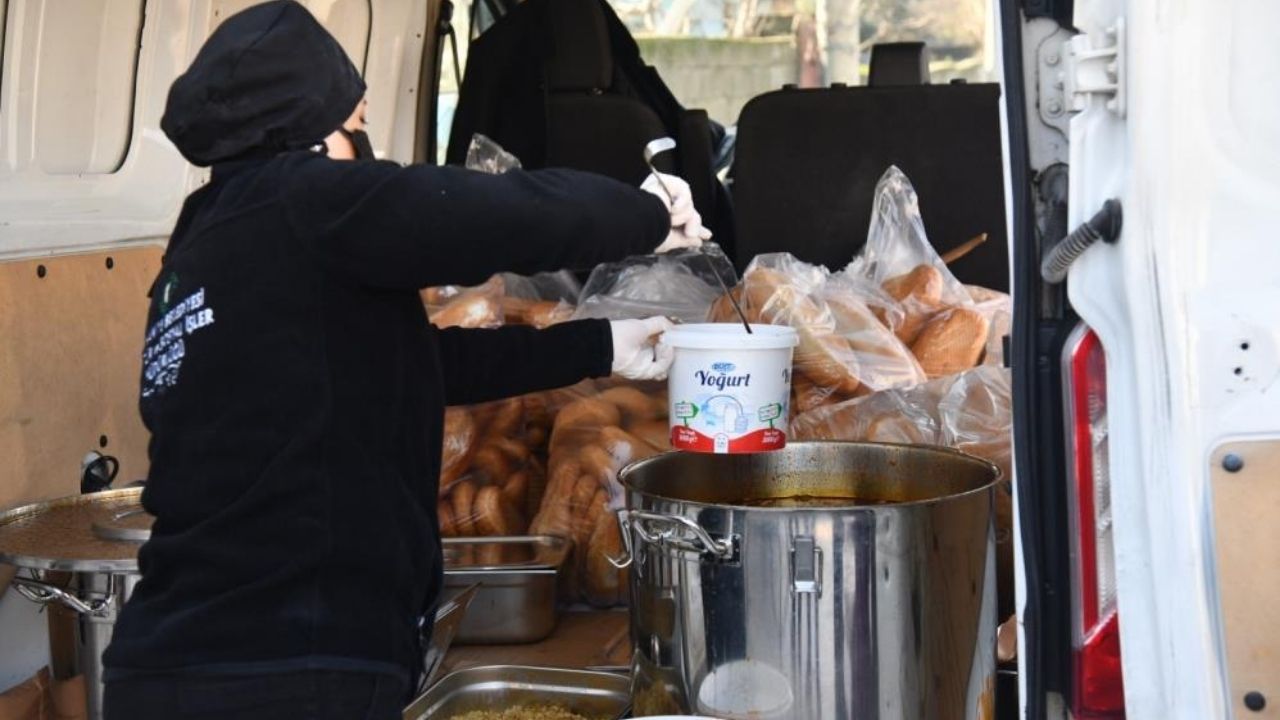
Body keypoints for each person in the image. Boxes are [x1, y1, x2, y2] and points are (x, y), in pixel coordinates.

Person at [101, 3, 706, 718]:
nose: (366, 140)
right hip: (288, 666)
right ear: (315, 138)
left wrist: (599, 344)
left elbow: (401, 366)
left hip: (169, 663)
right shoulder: (306, 198)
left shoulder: (199, 250)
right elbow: (483, 211)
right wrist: (642, 216)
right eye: (356, 122)